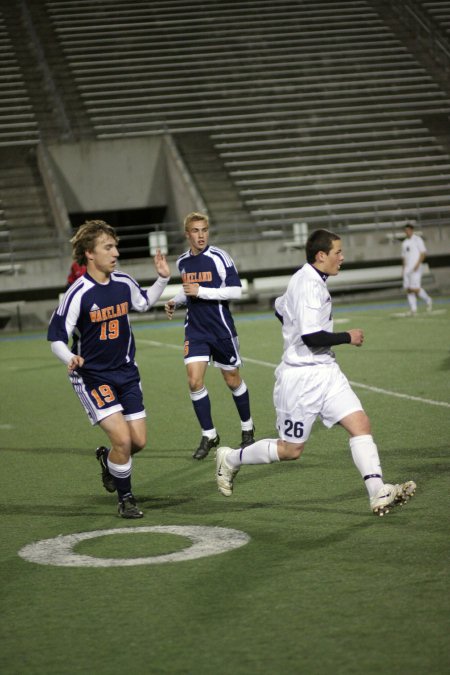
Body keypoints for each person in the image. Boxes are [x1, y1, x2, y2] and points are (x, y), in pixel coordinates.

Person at [216, 228, 416, 516]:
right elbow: (311, 336)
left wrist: (292, 326)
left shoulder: (306, 279)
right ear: (321, 256)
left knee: (359, 424)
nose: (342, 258)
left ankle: (377, 492)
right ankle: (231, 459)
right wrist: (348, 336)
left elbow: (279, 308)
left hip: (326, 371)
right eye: (338, 252)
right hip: (301, 378)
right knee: (290, 450)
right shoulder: (308, 284)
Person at [47, 219, 171, 519]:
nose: (115, 252)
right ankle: (126, 497)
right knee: (123, 440)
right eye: (108, 247)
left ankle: (109, 463)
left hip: (127, 373)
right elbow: (55, 337)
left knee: (138, 441)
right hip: (93, 377)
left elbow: (142, 303)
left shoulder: (122, 281)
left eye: (115, 246)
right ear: (90, 253)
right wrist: (69, 358)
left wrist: (163, 279)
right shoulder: (79, 292)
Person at [165, 211, 255, 460]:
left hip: (220, 328)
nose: (201, 235)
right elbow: (189, 291)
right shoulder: (182, 261)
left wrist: (201, 291)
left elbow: (237, 291)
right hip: (195, 329)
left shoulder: (219, 257)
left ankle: (247, 428)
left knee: (232, 379)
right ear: (187, 234)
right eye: (196, 230)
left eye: (204, 230)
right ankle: (209, 434)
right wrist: (176, 300)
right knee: (194, 381)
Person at [401, 222, 432, 315]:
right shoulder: (404, 242)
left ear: (412, 230)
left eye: (408, 230)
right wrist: (403, 269)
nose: (407, 232)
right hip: (407, 269)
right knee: (408, 289)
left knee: (415, 288)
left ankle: (428, 299)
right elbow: (403, 257)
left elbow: (423, 253)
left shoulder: (417, 240)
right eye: (405, 230)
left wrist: (418, 264)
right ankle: (413, 309)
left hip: (416, 268)